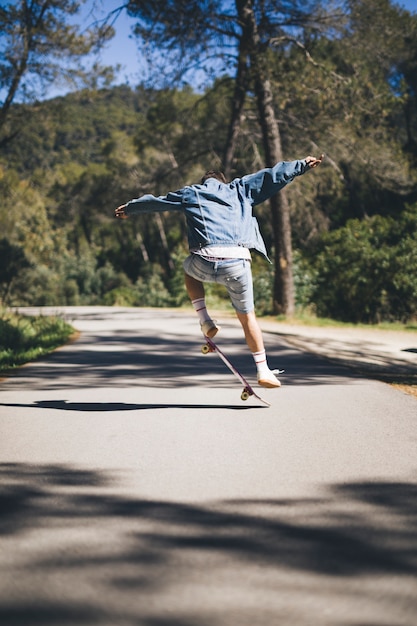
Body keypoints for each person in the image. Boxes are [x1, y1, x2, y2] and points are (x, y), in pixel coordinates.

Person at [115, 154, 324, 388]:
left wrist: (130, 209)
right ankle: (263, 369)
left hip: (204, 260)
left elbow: (157, 202)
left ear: (205, 182)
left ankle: (205, 320)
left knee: (188, 268)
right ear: (224, 181)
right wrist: (302, 165)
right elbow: (272, 176)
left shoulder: (191, 192)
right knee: (248, 318)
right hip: (238, 263)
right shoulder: (240, 189)